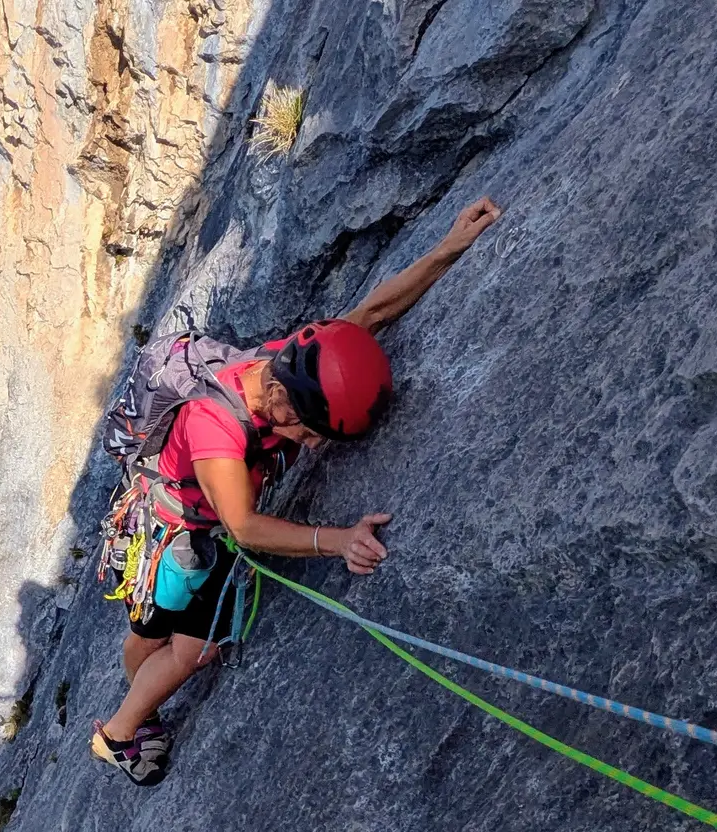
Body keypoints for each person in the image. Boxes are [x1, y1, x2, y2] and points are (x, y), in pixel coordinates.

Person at [92, 197, 504, 785]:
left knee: (154, 633)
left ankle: (139, 701)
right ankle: (120, 734)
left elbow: (373, 313)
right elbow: (245, 528)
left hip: (173, 526)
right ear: (281, 403)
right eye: (306, 433)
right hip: (184, 537)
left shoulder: (290, 367)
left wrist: (448, 248)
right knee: (186, 649)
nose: (311, 446)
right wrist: (339, 541)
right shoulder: (215, 427)